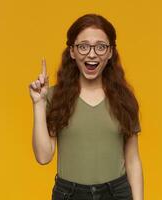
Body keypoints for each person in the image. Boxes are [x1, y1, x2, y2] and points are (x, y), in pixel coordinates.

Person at [29, 13, 143, 200]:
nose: (91, 54)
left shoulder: (124, 99)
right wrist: (38, 104)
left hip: (116, 193)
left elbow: (132, 160)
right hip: (70, 194)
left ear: (110, 52)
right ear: (72, 52)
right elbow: (43, 157)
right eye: (83, 47)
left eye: (100, 47)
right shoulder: (53, 97)